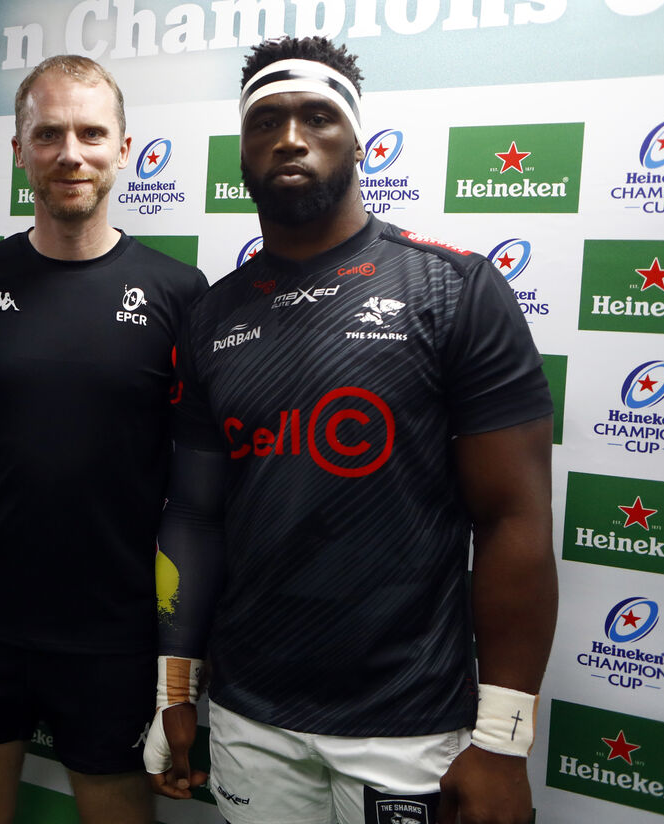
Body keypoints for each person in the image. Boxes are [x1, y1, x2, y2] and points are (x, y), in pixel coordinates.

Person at [143, 36, 557, 824]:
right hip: (249, 714)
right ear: (242, 149)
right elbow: (194, 514)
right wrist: (177, 688)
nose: (290, 138)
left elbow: (514, 516)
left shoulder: (452, 288)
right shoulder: (211, 316)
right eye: (266, 121)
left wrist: (503, 742)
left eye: (318, 117)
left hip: (409, 720)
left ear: (359, 140)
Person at [0, 55, 208, 824]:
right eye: (48, 135)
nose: (70, 154)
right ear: (19, 150)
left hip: (117, 631)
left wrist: (181, 646)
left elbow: (200, 487)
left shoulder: (181, 294)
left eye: (90, 134)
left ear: (124, 148)